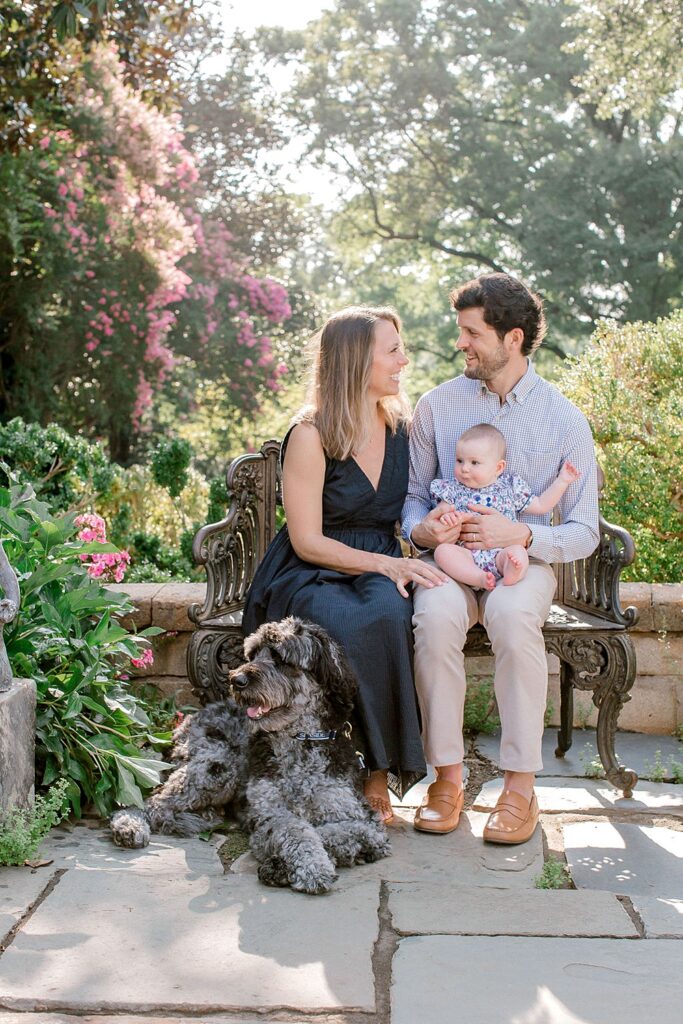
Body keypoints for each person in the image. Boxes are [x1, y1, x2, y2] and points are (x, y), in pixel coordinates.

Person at [402, 273, 599, 843]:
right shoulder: (437, 406)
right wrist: (424, 528)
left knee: (513, 619)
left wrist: (524, 536)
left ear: (512, 338)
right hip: (453, 560)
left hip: (522, 563)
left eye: (471, 333)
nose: (460, 343)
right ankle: (447, 778)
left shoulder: (565, 420)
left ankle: (519, 787)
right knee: (435, 619)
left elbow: (584, 527)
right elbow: (415, 495)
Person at [243, 306, 447, 823]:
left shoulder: (402, 428)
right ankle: (346, 768)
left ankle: (377, 770)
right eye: (393, 350)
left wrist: (435, 531)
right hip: (310, 569)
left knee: (389, 616)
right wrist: (386, 565)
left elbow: (414, 508)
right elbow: (307, 539)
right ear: (357, 360)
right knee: (342, 620)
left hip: (377, 563)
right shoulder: (311, 435)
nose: (404, 359)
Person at [431, 423, 581, 590]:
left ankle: (512, 570)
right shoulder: (452, 488)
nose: (464, 468)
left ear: (498, 467)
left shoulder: (510, 487)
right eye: (460, 460)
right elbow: (441, 513)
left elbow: (541, 505)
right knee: (442, 552)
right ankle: (478, 577)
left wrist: (562, 481)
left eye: (474, 462)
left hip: (501, 551)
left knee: (518, 551)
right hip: (465, 553)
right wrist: (447, 518)